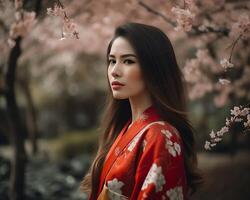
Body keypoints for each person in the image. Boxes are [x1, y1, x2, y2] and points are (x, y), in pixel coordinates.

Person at [81, 22, 202, 200]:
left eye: (128, 61)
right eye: (112, 61)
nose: (114, 71)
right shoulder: (125, 128)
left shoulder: (160, 136)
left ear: (154, 68)